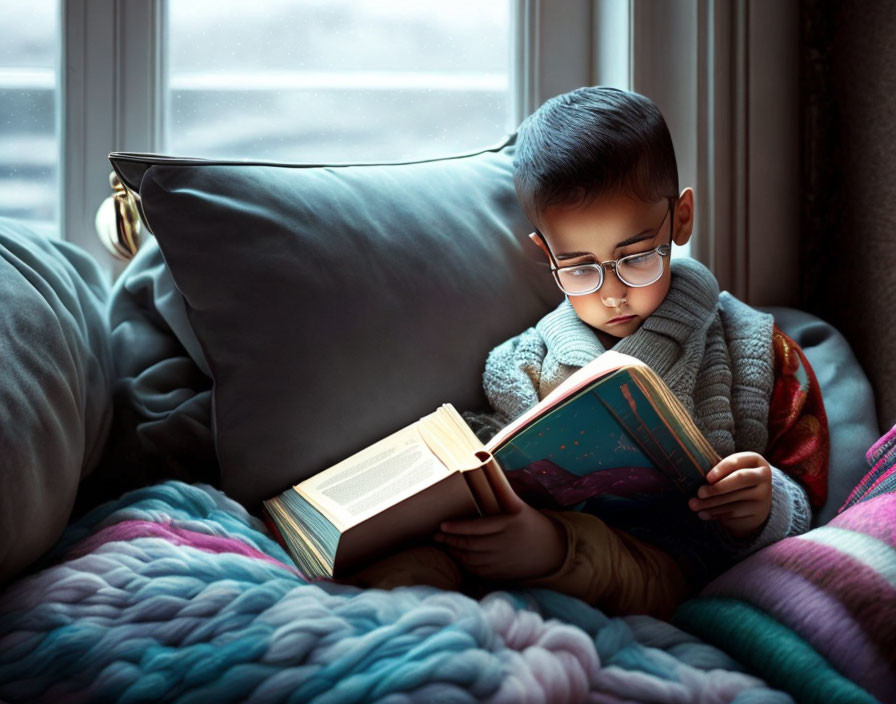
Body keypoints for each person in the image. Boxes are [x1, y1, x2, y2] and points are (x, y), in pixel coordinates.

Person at [349, 87, 828, 618]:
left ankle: (552, 551)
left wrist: (763, 504)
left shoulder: (756, 350)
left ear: (682, 218)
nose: (612, 292)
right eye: (579, 268)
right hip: (517, 547)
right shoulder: (523, 361)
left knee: (595, 552)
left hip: (666, 566)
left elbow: (807, 498)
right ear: (545, 252)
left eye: (638, 256)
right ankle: (352, 618)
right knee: (426, 558)